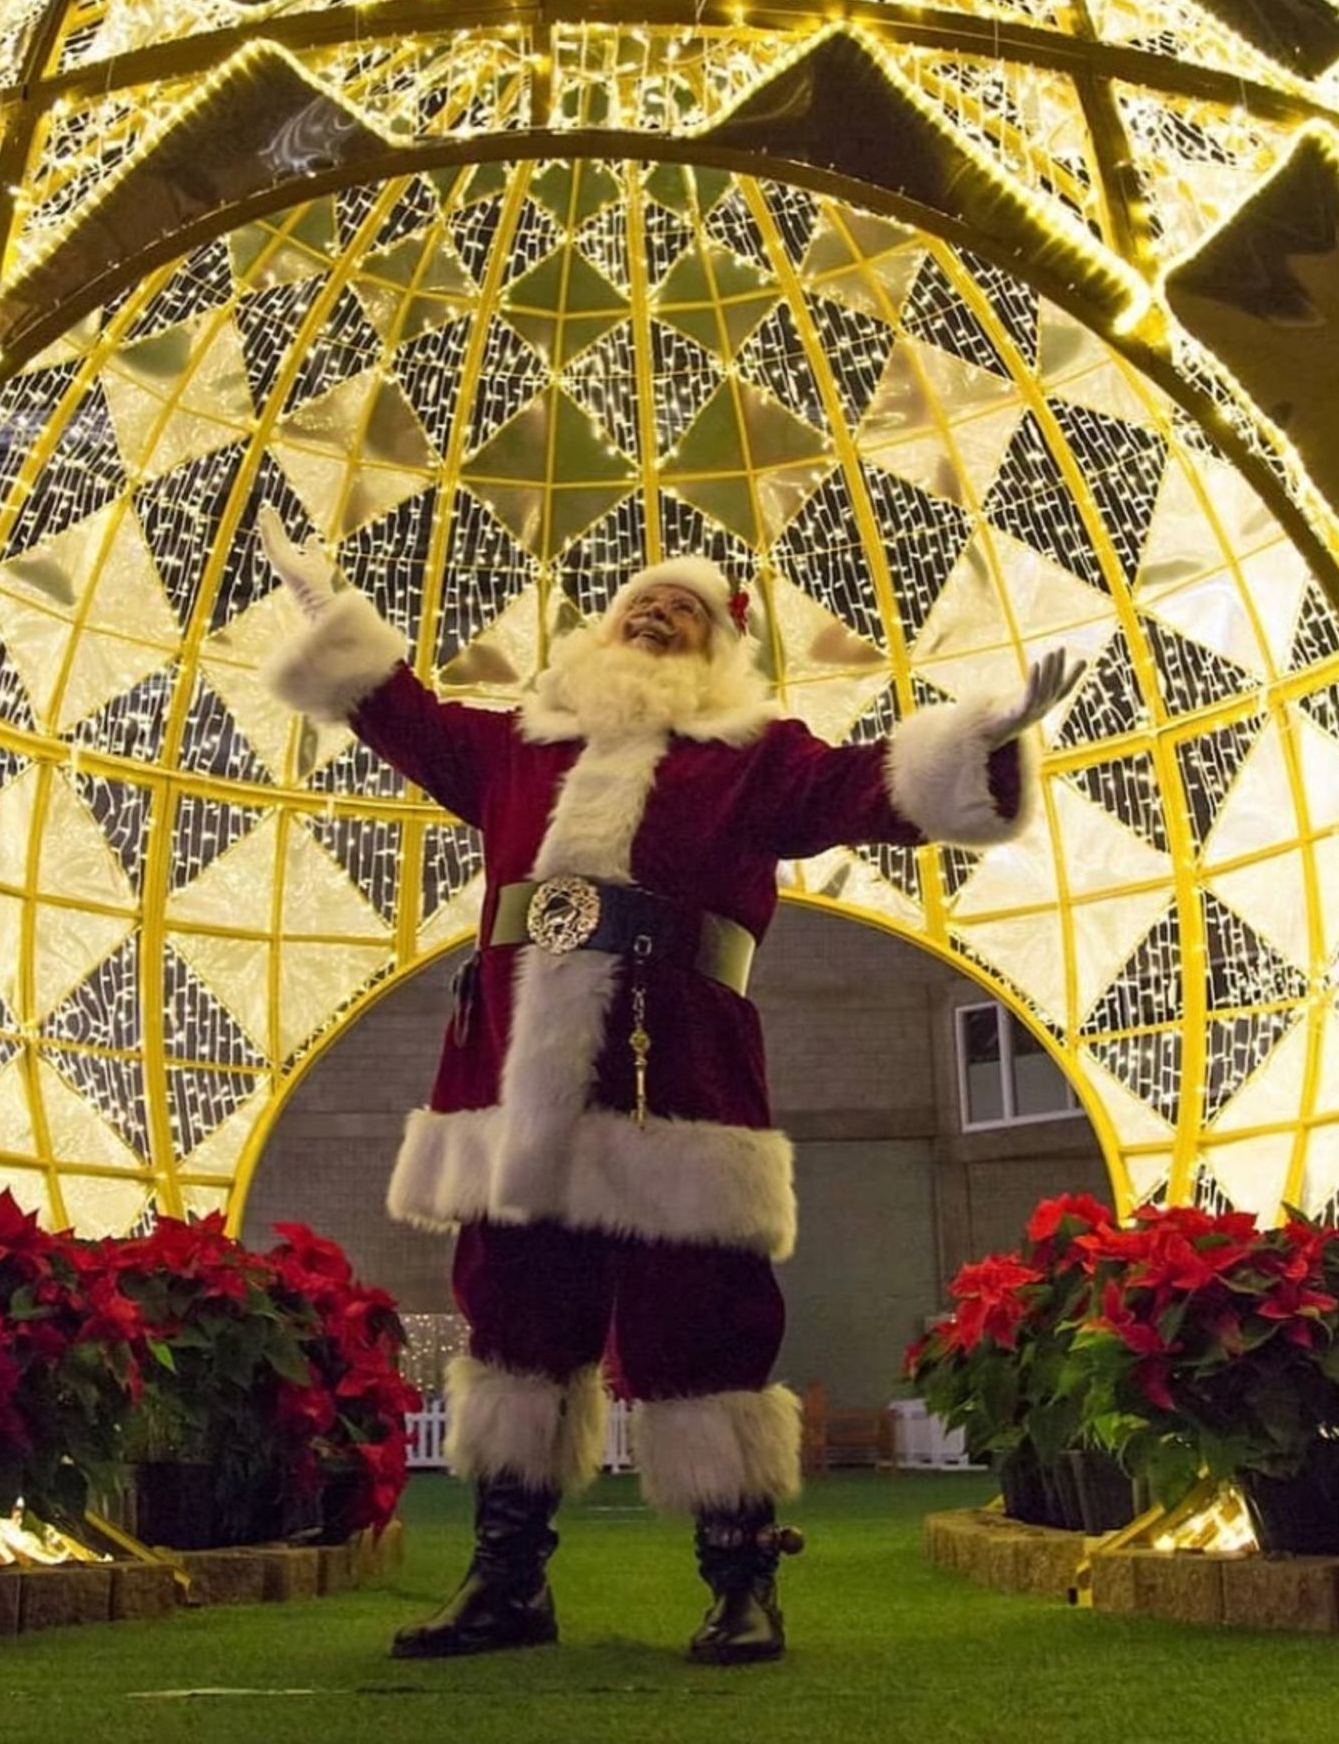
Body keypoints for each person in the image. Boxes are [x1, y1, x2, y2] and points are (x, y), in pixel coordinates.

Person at [260, 514, 1076, 1663]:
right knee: (515, 1325)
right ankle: (506, 1583)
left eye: (681, 609)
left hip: (676, 1080)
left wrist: (981, 740)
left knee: (702, 1321)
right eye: (640, 603)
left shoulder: (755, 756)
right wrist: (329, 625)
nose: (653, 614)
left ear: (721, 648)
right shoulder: (518, 747)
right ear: (603, 628)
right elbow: (408, 715)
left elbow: (865, 790)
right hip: (511, 1082)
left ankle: (743, 1581)